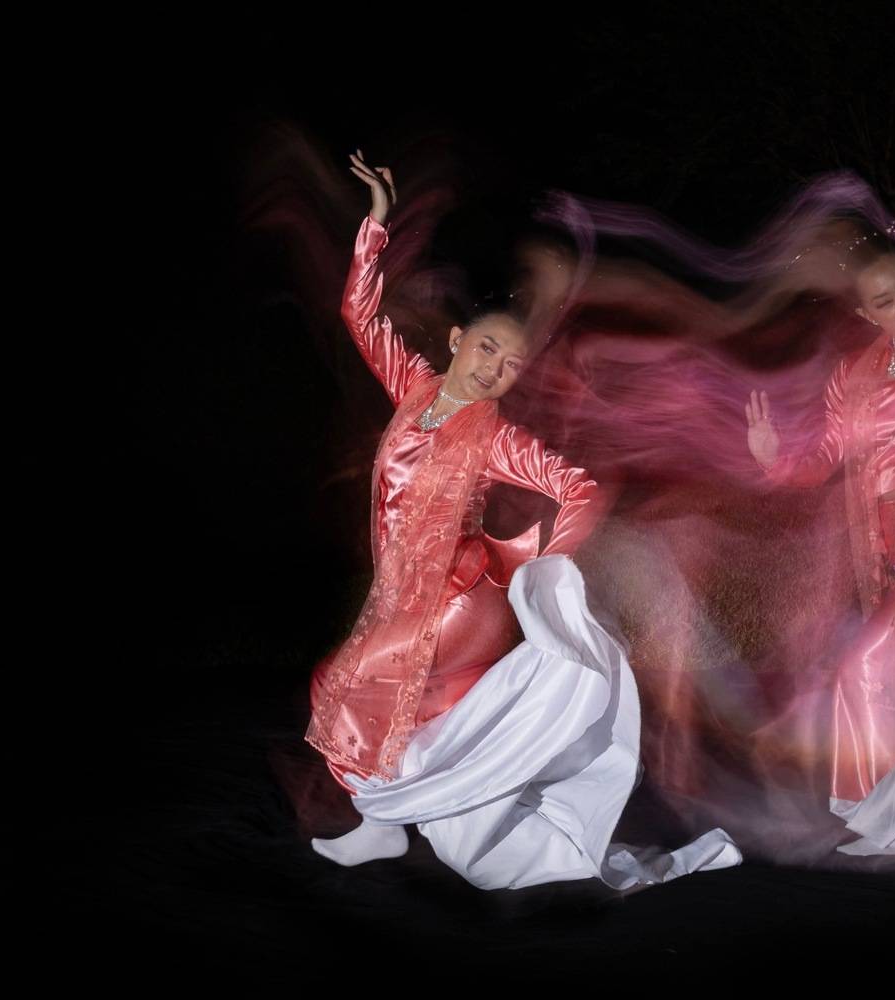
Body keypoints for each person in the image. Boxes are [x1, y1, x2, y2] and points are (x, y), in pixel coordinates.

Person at [305, 151, 739, 888]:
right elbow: (360, 314)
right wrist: (376, 223)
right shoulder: (414, 387)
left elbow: (579, 488)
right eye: (486, 348)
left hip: (457, 601)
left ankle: (382, 823)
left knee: (347, 684)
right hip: (401, 594)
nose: (494, 369)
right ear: (455, 342)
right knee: (410, 726)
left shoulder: (497, 437)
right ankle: (434, 827)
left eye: (510, 365)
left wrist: (547, 570)